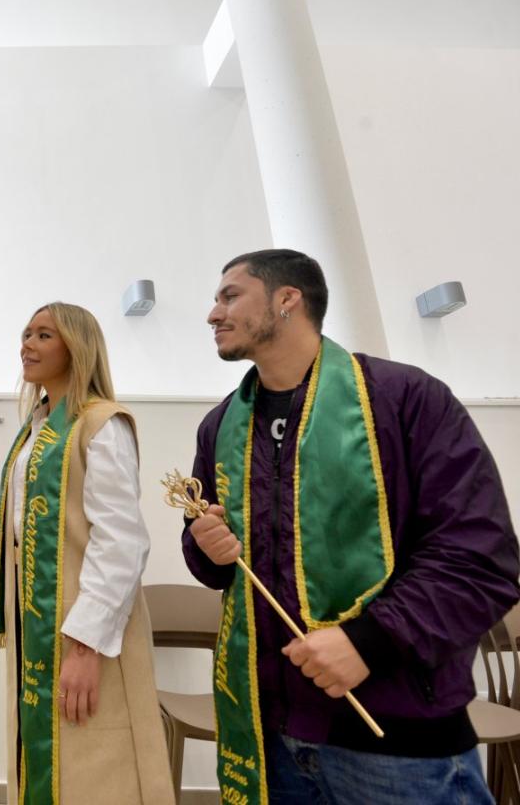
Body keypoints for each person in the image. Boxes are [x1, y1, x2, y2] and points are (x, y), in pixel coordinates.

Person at [182, 249, 519, 804]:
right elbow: (219, 569)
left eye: (229, 296)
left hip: (394, 740)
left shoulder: (404, 399)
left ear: (287, 299)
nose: (212, 314)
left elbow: (480, 558)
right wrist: (206, 549)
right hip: (270, 736)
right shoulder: (222, 424)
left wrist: (371, 640)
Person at [0, 302, 173, 805]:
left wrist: (86, 647)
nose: (27, 345)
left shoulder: (101, 424)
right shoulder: (36, 430)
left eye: (43, 335)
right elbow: (36, 543)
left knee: (97, 766)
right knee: (48, 755)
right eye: (26, 333)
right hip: (38, 628)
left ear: (76, 347)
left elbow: (121, 542)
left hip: (86, 631)